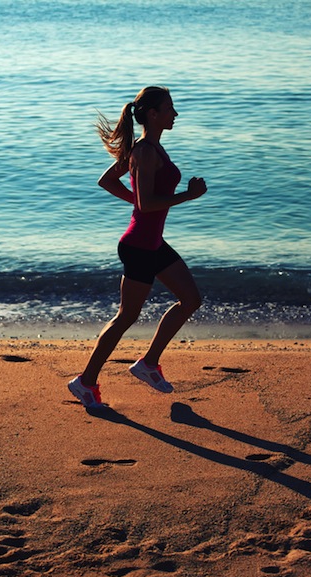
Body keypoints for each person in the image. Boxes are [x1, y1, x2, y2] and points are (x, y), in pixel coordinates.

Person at [68, 86, 207, 409]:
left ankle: (148, 364)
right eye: (170, 108)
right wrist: (188, 196)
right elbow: (146, 206)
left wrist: (139, 200)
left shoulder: (149, 149)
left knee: (190, 299)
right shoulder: (144, 151)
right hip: (140, 246)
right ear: (154, 114)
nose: (175, 114)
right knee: (125, 317)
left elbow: (110, 183)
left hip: (150, 242)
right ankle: (85, 382)